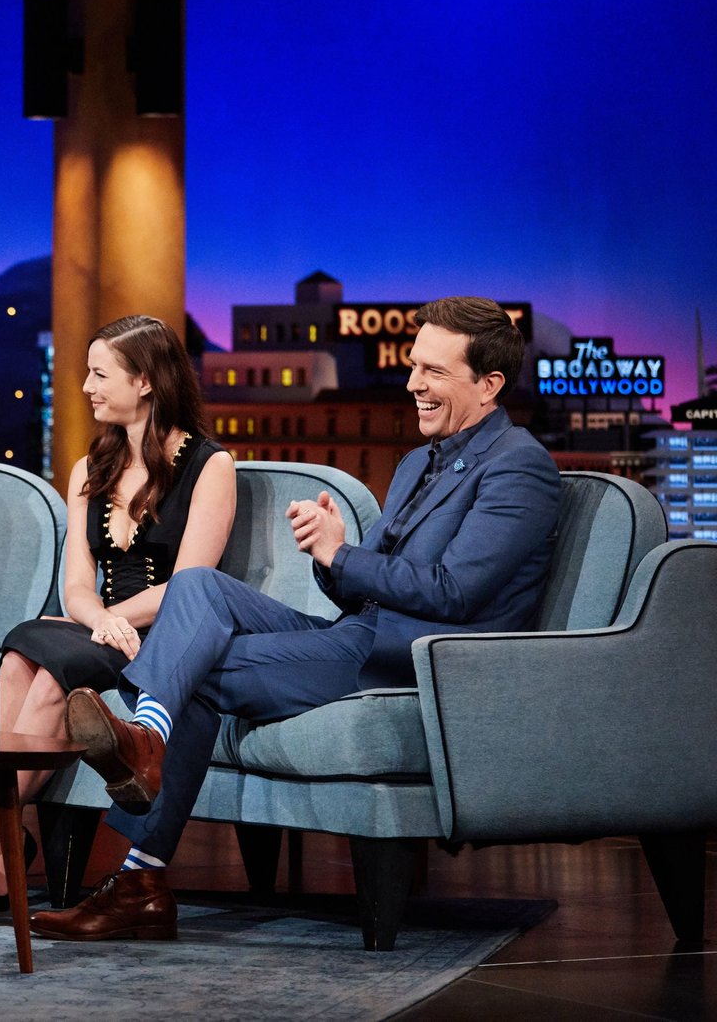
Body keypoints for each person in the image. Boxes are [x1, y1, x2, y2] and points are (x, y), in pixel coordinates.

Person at [30, 296, 561, 941]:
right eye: (413, 366)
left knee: (190, 668)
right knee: (197, 587)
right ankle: (146, 748)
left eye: (433, 371)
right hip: (359, 634)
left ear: (489, 384)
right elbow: (360, 590)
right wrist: (329, 555)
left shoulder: (518, 466)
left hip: (414, 659)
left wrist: (344, 555)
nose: (412, 383)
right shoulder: (419, 460)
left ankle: (140, 867)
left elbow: (456, 593)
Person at [0, 315, 236, 913]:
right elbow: (77, 585)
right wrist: (99, 620)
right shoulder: (90, 468)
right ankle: (2, 856)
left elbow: (192, 587)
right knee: (23, 649)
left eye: (99, 374)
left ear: (145, 381)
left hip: (164, 640)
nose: (85, 386)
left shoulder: (210, 466)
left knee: (48, 674)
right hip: (97, 629)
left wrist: (114, 622)